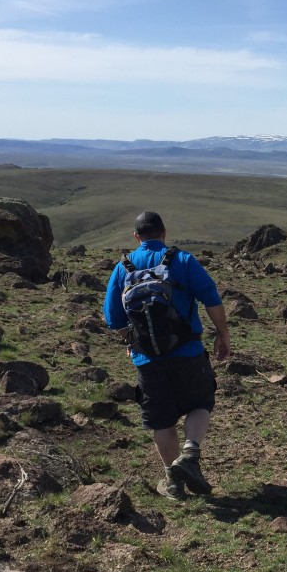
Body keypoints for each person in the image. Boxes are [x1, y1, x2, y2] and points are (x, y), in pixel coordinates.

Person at [103, 210, 231, 500]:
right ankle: (190, 454)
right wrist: (223, 333)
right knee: (200, 402)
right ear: (164, 232)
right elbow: (211, 298)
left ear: (137, 237)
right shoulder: (182, 260)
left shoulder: (122, 267)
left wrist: (133, 340)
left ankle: (173, 483)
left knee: (162, 420)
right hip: (188, 351)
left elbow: (113, 317)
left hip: (147, 358)